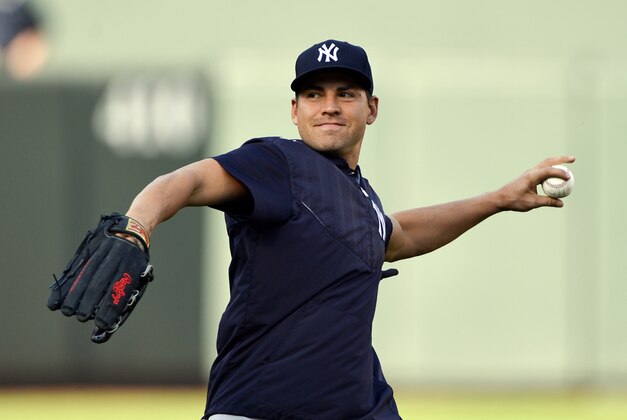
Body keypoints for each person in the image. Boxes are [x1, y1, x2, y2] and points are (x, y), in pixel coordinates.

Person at [61, 39, 576, 419]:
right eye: (313, 93)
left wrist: (498, 199)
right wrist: (136, 227)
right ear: (295, 110)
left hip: (355, 404)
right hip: (262, 406)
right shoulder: (277, 163)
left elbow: (399, 235)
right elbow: (188, 180)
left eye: (346, 92)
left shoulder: (361, 198)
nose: (329, 104)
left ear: (371, 109)